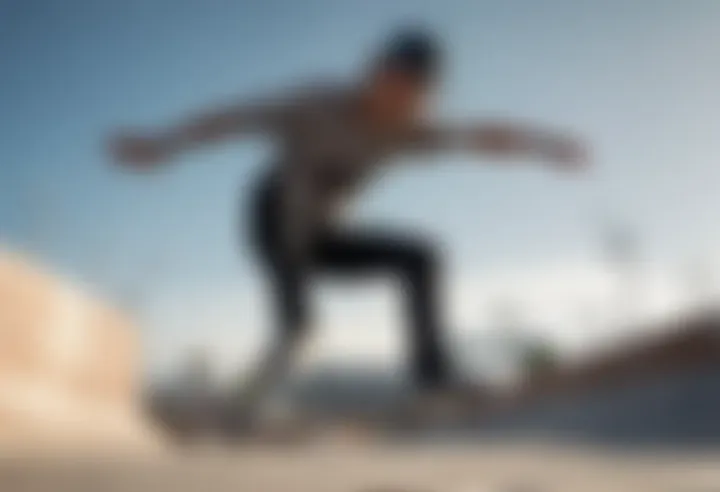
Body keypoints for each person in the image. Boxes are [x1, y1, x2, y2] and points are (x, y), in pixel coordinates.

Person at [109, 28, 589, 418]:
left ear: (425, 98)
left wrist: (545, 146)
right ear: (373, 73)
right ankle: (245, 400)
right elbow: (231, 120)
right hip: (272, 218)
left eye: (412, 91)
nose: (396, 97)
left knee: (421, 257)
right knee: (298, 325)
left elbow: (481, 138)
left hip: (324, 237)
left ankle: (431, 380)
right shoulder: (313, 105)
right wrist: (162, 145)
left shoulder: (409, 135)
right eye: (391, 80)